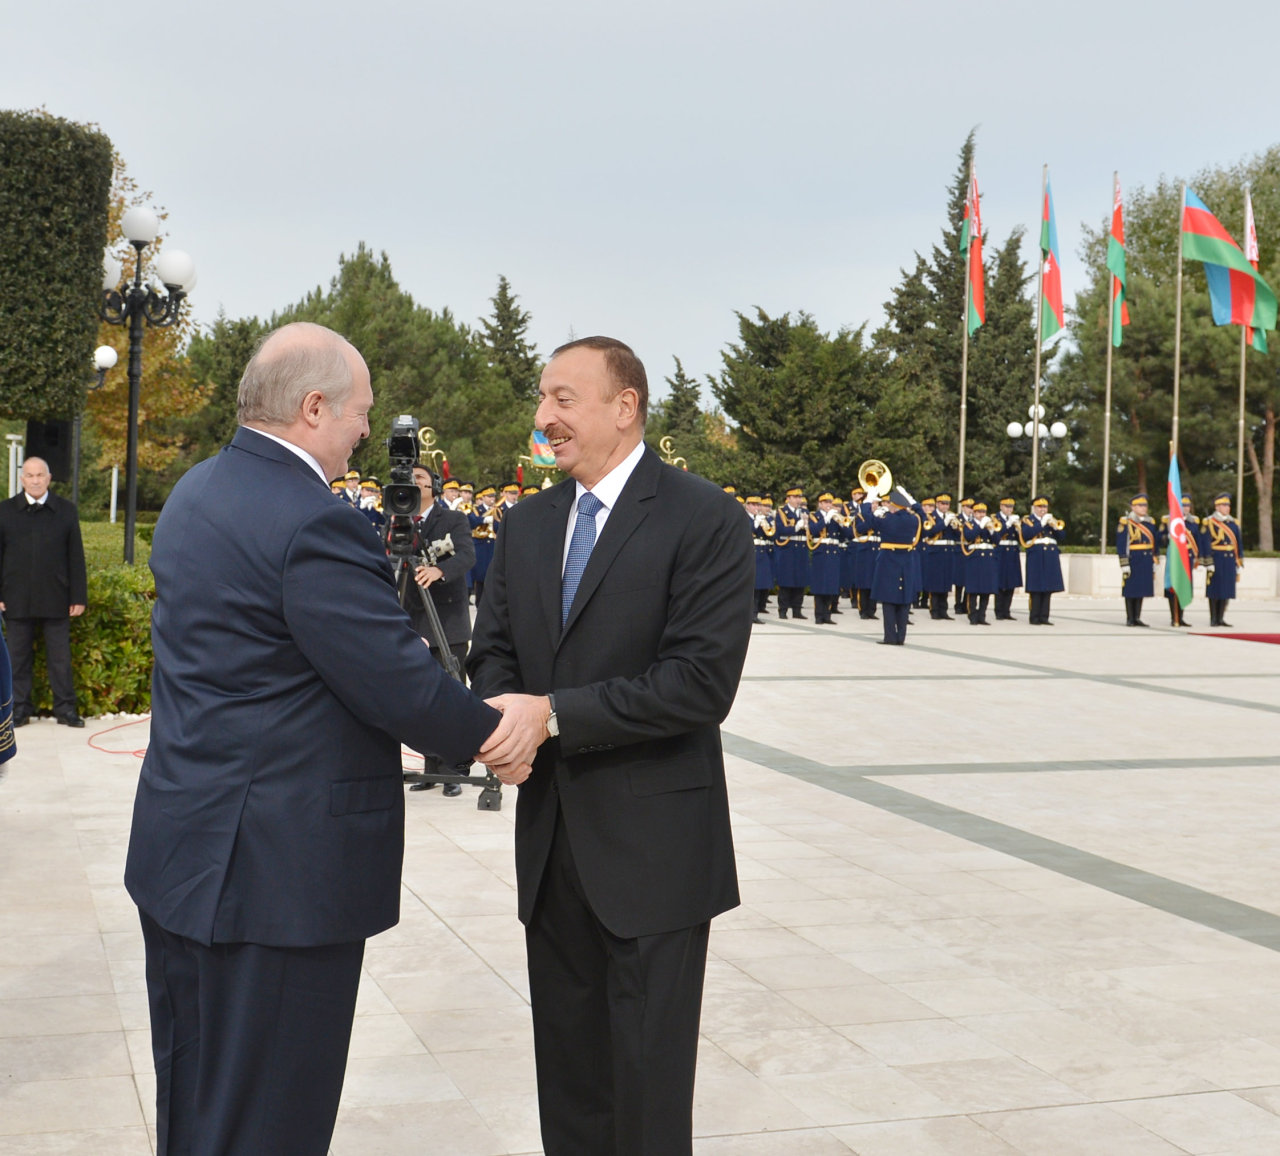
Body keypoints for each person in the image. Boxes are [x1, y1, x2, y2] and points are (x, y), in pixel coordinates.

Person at [123, 322, 506, 1156]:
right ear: (312, 407)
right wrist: (500, 733)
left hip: (183, 857)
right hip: (274, 881)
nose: (370, 432)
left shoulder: (196, 490)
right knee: (269, 1123)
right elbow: (397, 684)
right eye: (361, 412)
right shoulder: (312, 523)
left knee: (196, 1103)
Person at [468, 336, 754, 1156]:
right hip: (552, 849)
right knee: (570, 1084)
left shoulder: (704, 517)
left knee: (648, 1091)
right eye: (542, 399)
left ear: (624, 407)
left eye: (563, 398)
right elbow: (496, 653)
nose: (542, 417)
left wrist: (549, 715)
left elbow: (700, 683)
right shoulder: (526, 524)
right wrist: (499, 724)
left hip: (655, 856)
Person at [401, 463, 477, 797]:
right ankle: (430, 770)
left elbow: (467, 556)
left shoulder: (454, 519)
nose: (412, 483)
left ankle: (454, 771)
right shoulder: (399, 521)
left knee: (451, 697)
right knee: (421, 700)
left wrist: (439, 571)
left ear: (434, 484)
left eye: (418, 478)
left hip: (447, 620)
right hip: (414, 619)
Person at [0, 456, 88, 727]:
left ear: (49, 478)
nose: (35, 480)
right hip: (15, 598)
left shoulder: (66, 510)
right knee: (17, 660)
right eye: (30, 475)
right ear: (22, 479)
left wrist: (78, 597)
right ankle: (19, 711)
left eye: (40, 475)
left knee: (60, 660)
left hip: (56, 598)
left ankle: (66, 710)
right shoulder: (4, 511)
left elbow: (76, 556)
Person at [864, 486, 923, 645]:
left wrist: (868, 499)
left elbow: (867, 518)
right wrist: (911, 499)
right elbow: (922, 514)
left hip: (888, 560)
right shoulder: (913, 519)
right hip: (907, 561)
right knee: (904, 600)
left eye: (890, 504)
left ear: (895, 506)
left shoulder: (888, 520)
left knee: (888, 599)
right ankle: (901, 637)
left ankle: (890, 637)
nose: (888, 506)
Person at [1020, 497, 1065, 624]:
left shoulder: (1051, 521)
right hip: (1036, 556)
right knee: (1036, 588)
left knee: (1048, 588)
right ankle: (1034, 617)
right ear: (1034, 508)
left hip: (1050, 557)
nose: (1042, 510)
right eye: (1040, 507)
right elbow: (1026, 534)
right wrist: (1041, 524)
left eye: (1045, 507)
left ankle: (1044, 617)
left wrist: (1056, 527)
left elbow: (1062, 536)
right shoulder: (1028, 520)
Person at [1159, 493, 1200, 627]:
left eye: (1188, 505)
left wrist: (1198, 557)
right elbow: (1159, 538)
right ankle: (1174, 617)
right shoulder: (1168, 520)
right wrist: (1167, 537)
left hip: (1187, 558)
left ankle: (1181, 617)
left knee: (1184, 587)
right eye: (1183, 505)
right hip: (1174, 558)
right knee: (1173, 587)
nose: (1186, 508)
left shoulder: (1193, 522)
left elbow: (1197, 540)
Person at [1117, 492, 1156, 626]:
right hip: (1133, 559)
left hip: (1146, 560)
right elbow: (1122, 544)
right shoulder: (1126, 522)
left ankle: (1137, 617)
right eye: (1140, 505)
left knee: (1141, 589)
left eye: (1145, 505)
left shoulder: (1150, 522)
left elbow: (1153, 543)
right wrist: (1124, 562)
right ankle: (1130, 618)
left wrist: (1154, 560)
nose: (1143, 508)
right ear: (1133, 507)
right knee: (1130, 589)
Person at [1204, 492, 1243, 627]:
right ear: (1217, 507)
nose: (1227, 508)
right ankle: (1213, 618)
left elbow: (1238, 543)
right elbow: (1205, 543)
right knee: (1215, 590)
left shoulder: (1233, 523)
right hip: (1217, 559)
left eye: (1228, 505)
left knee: (1226, 590)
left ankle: (1221, 618)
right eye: (1224, 505)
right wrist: (1209, 562)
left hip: (1230, 560)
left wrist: (1239, 561)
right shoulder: (1209, 522)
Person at [808, 491, 845, 624]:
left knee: (831, 585)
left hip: (834, 553)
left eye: (830, 502)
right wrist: (826, 519)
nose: (829, 505)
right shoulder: (814, 516)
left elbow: (848, 534)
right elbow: (812, 530)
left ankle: (827, 615)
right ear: (820, 504)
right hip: (821, 553)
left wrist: (842, 523)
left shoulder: (836, 517)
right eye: (826, 502)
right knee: (820, 585)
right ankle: (819, 615)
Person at [773, 487, 810, 618]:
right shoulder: (782, 512)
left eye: (799, 497)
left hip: (801, 548)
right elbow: (781, 530)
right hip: (788, 549)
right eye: (795, 497)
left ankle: (797, 610)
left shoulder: (804, 511)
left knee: (800, 580)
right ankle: (783, 610)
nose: (798, 500)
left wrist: (807, 527)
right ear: (788, 498)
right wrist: (796, 527)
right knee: (786, 581)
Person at [961, 501, 998, 624]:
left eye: (983, 512)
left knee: (986, 590)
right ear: (974, 513)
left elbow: (996, 541)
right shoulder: (969, 524)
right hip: (975, 557)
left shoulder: (988, 525)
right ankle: (972, 615)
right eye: (979, 512)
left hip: (988, 558)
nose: (982, 515)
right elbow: (969, 537)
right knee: (973, 589)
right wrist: (980, 526)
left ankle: (982, 616)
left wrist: (992, 531)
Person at [993, 497, 1023, 620]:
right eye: (1006, 506)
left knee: (1011, 583)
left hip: (1013, 552)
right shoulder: (995, 519)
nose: (1009, 509)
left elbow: (1022, 538)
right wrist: (1008, 524)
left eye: (1011, 507)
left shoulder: (1015, 519)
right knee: (1000, 583)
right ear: (1001, 507)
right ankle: (999, 611)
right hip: (1001, 552)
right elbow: (996, 535)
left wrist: (1018, 529)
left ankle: (1007, 611)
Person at [746, 493, 775, 624]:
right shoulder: (745, 518)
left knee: (760, 586)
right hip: (751, 553)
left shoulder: (761, 518)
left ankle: (755, 613)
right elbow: (747, 532)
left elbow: (770, 535)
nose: (756, 507)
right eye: (753, 505)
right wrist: (755, 524)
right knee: (752, 587)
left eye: (758, 505)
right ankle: (749, 614)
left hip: (762, 554)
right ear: (747, 506)